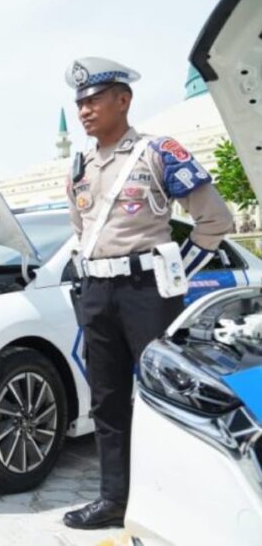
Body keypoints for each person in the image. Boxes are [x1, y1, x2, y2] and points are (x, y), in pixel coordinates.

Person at [62, 57, 233, 530]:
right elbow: (80, 231)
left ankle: (184, 503)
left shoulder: (160, 152)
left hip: (147, 291)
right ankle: (114, 499)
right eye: (79, 103)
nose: (85, 111)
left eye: (94, 99)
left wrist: (175, 271)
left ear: (123, 99)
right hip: (97, 291)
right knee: (107, 399)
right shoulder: (79, 166)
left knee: (167, 396)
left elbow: (216, 220)